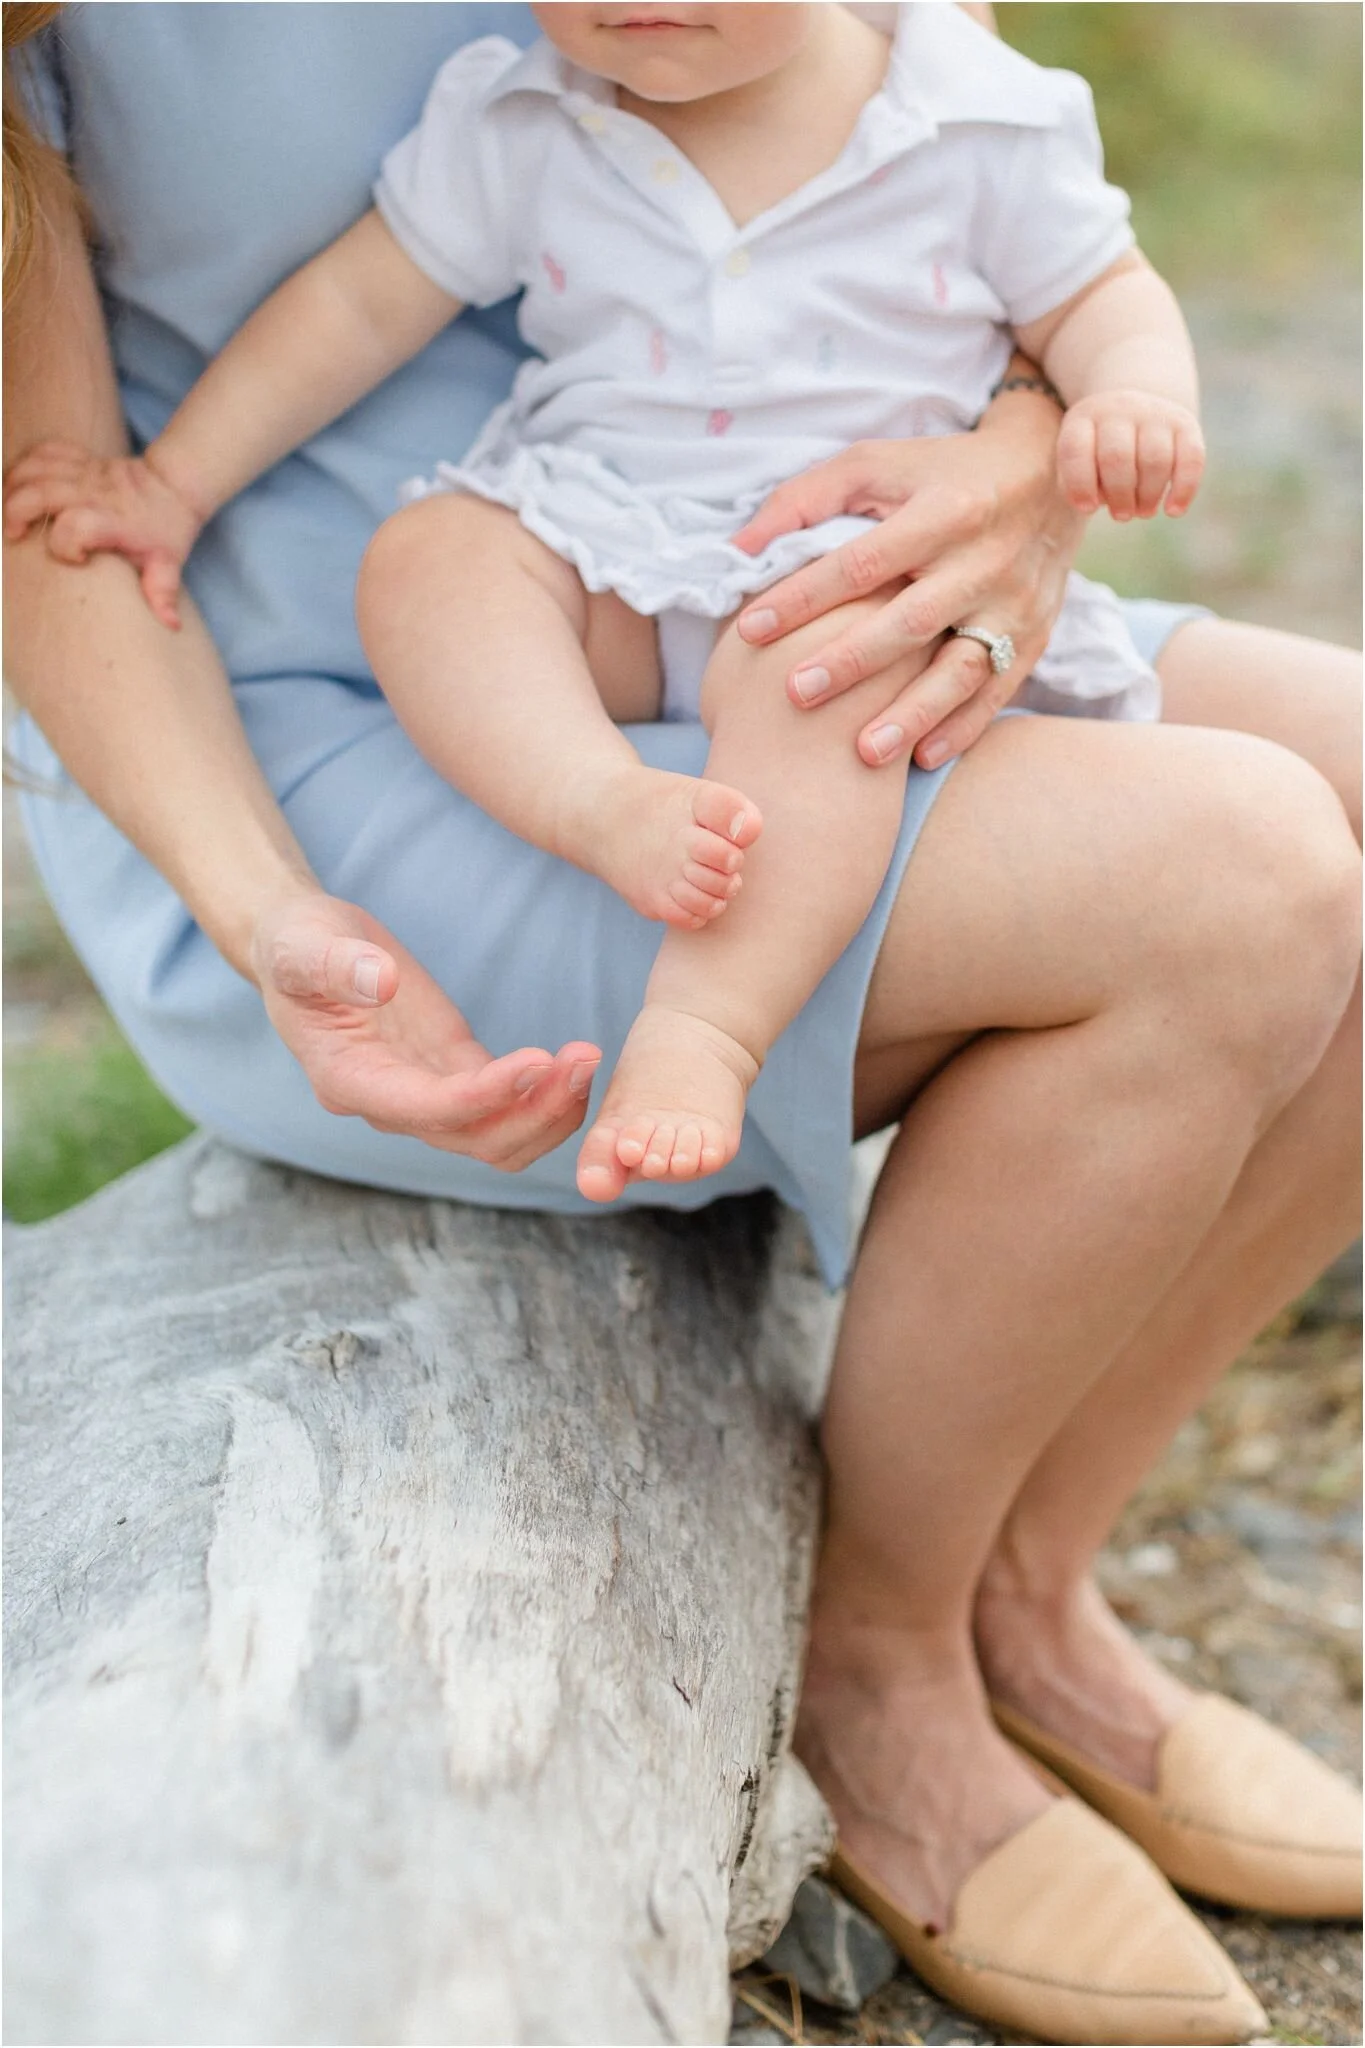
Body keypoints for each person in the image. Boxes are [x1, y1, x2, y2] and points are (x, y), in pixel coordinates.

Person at [3, 5, 1360, 2041]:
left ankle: (1025, 1580)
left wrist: (1020, 473)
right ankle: (878, 1669)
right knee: (1241, 877)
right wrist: (266, 911)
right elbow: (42, 522)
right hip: (358, 738)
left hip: (776, 541)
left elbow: (972, 166)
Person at [4, 2, 1206, 1205]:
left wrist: (1126, 398)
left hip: (836, 558)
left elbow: (1099, 290)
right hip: (607, 549)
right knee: (432, 560)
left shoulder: (972, 111)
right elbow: (357, 305)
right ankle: (599, 799)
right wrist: (172, 485)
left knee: (831, 681)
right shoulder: (527, 114)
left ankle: (706, 1024)